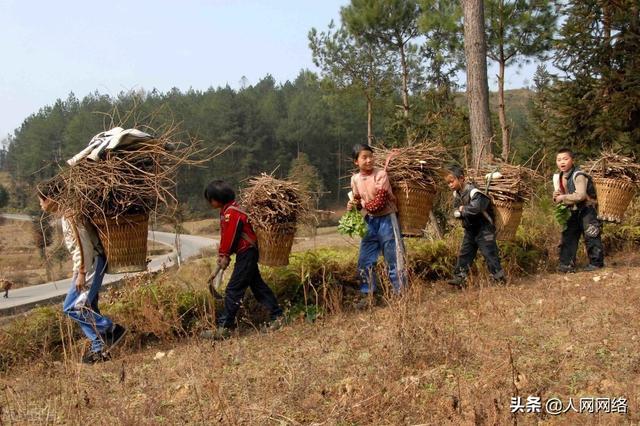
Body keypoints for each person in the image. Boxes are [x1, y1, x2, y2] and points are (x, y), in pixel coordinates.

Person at [38, 188, 126, 364]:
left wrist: (82, 273)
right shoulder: (69, 213)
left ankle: (112, 329)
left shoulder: (71, 215)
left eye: (41, 201)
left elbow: (84, 245)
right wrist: (77, 271)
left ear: (51, 199)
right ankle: (99, 350)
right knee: (88, 307)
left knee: (72, 307)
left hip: (91, 263)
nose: (41, 206)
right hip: (90, 263)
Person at [201, 180, 283, 340]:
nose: (209, 202)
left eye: (210, 198)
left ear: (217, 197)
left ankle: (224, 328)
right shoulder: (228, 211)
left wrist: (224, 254)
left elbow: (230, 236)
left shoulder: (232, 213)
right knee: (258, 286)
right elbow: (228, 237)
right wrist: (223, 255)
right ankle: (278, 316)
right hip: (246, 252)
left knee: (233, 289)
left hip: (247, 252)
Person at [348, 143, 406, 306]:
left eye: (370, 156)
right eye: (364, 157)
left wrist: (362, 205)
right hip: (370, 222)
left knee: (393, 257)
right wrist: (352, 205)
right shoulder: (355, 179)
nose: (368, 160)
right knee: (365, 259)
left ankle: (400, 293)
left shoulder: (380, 175)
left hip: (387, 219)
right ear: (356, 162)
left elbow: (380, 202)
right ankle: (369, 294)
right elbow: (358, 200)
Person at [445, 165, 506, 287]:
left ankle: (500, 279)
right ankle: (459, 278)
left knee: (489, 253)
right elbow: (456, 209)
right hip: (470, 229)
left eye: (452, 181)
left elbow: (477, 208)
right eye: (448, 183)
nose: (450, 185)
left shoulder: (474, 191)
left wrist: (462, 211)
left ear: (461, 178)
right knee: (465, 253)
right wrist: (460, 212)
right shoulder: (456, 194)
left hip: (484, 228)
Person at [553, 148, 604, 272]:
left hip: (587, 209)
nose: (562, 162)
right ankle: (566, 264)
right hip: (572, 210)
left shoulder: (578, 175)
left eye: (565, 159)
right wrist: (556, 196)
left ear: (572, 160)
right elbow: (560, 195)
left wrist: (562, 198)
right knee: (568, 236)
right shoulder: (559, 177)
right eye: (559, 160)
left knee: (591, 234)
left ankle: (596, 264)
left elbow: (580, 195)